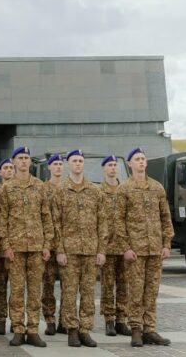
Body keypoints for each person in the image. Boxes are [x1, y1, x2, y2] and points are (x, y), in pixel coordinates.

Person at [117, 148, 174, 348]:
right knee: (135, 291)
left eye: (143, 159)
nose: (141, 162)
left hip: (155, 249)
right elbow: (118, 221)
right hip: (135, 251)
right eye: (137, 160)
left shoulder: (157, 188)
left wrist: (167, 244)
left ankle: (150, 329)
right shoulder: (124, 188)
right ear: (129, 164)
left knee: (152, 291)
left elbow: (165, 218)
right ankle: (136, 330)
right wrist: (125, 247)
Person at [0, 147, 54, 348]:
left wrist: (47, 244)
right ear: (13, 162)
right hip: (15, 248)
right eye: (20, 158)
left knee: (34, 291)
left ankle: (33, 330)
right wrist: (5, 245)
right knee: (17, 291)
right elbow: (1, 219)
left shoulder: (40, 187)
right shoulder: (6, 188)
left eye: (26, 158)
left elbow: (47, 217)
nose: (23, 161)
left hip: (37, 248)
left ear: (30, 162)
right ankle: (18, 329)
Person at [52, 149, 107, 348]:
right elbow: (55, 223)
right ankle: (72, 330)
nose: (77, 164)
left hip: (91, 250)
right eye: (74, 161)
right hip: (69, 251)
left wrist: (101, 250)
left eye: (80, 161)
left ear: (84, 164)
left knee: (88, 292)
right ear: (68, 164)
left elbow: (103, 222)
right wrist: (59, 250)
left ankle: (85, 330)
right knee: (69, 292)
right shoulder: (60, 190)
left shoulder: (94, 190)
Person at [99, 155, 131, 337]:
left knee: (124, 285)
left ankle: (121, 320)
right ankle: (109, 320)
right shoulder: (98, 191)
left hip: (124, 245)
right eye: (109, 165)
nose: (113, 168)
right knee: (107, 285)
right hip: (107, 245)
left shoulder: (125, 189)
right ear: (103, 169)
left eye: (114, 165)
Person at [41, 153, 65, 335]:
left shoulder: (67, 188)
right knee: (48, 284)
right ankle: (49, 319)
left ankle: (65, 320)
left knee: (68, 286)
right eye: (54, 164)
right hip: (49, 245)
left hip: (67, 245)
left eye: (60, 164)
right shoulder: (42, 189)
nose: (58, 167)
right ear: (49, 167)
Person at [0, 158, 14, 335]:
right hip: (0, 247)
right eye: (5, 168)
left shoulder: (18, 190)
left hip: (17, 246)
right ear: (0, 172)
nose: (9, 170)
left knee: (18, 286)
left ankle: (16, 319)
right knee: (0, 285)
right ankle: (0, 319)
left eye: (11, 168)